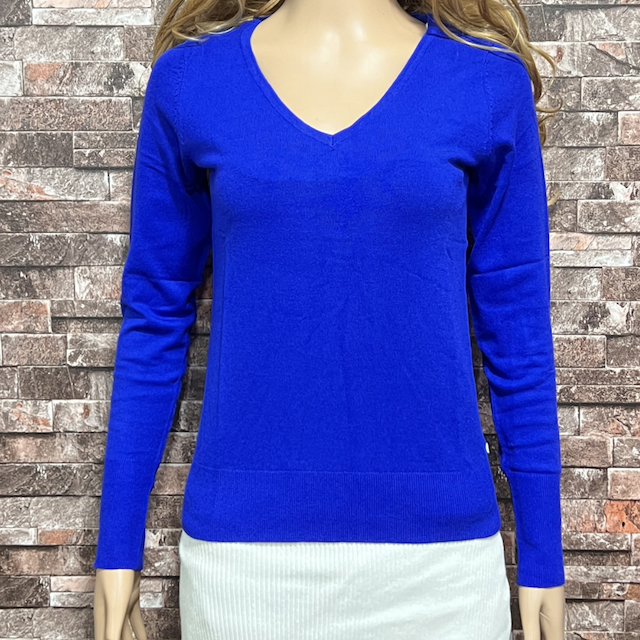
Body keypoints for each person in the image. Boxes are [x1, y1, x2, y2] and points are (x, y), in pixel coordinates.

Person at [92, 1, 567, 639]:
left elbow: (519, 332)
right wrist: (117, 548)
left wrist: (542, 556)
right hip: (243, 568)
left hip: (443, 569)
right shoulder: (193, 82)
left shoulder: (484, 83)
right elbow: (154, 315)